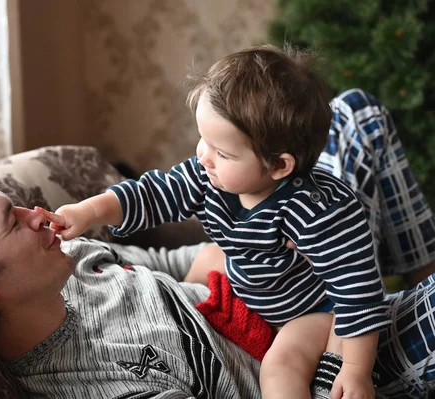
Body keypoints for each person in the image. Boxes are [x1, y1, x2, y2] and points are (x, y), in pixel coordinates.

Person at [0, 88, 435, 398]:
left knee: (355, 113)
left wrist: (275, 249)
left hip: (288, 287)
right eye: (13, 220)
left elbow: (187, 259)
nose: (39, 214)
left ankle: (410, 276)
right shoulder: (83, 384)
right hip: (320, 371)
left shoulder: (74, 262)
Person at [34, 45, 387, 399]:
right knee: (205, 264)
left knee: (280, 366)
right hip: (259, 286)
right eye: (204, 139)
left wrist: (357, 370)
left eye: (223, 152)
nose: (204, 156)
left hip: (313, 309)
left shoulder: (314, 209)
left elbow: (358, 289)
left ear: (279, 166)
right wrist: (88, 211)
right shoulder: (208, 176)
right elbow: (152, 194)